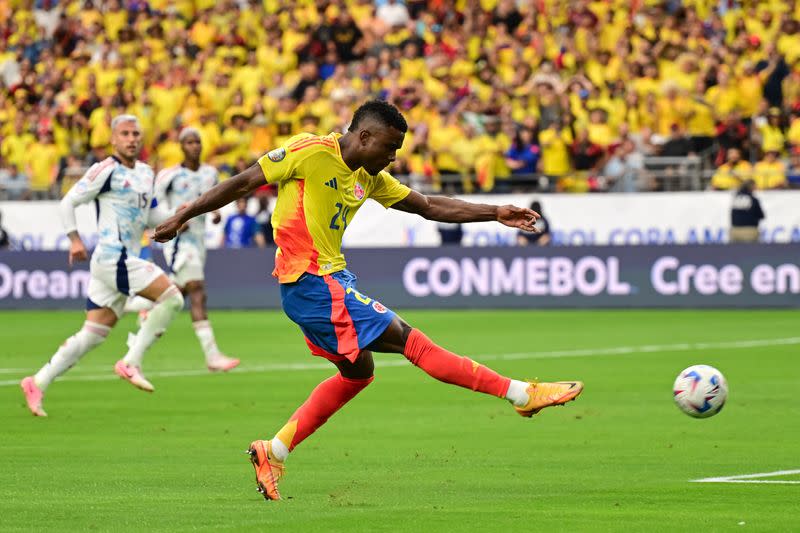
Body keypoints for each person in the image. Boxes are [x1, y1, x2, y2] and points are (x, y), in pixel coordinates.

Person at [153, 100, 583, 501]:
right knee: (411, 342)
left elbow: (429, 205)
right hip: (311, 280)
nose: (393, 157)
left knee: (359, 374)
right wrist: (181, 216)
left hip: (329, 281)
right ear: (363, 137)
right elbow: (245, 181)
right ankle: (520, 394)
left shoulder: (369, 177)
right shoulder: (309, 151)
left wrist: (494, 213)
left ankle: (274, 450)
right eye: (390, 147)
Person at [20, 115, 185, 417]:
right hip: (113, 256)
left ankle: (37, 381)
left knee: (93, 334)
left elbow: (151, 217)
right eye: (125, 133)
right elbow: (67, 202)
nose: (132, 138)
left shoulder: (147, 173)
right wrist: (74, 240)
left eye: (136, 133)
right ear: (113, 139)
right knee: (172, 298)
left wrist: (177, 218)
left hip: (120, 261)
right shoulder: (105, 170)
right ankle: (131, 361)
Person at [130, 127, 240, 372]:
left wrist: (215, 214)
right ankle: (212, 356)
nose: (194, 146)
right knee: (198, 291)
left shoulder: (210, 173)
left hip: (199, 240)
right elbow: (153, 204)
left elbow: (214, 199)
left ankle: (146, 307)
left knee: (176, 296)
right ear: (181, 146)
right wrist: (175, 219)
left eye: (197, 141)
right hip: (179, 241)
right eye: (189, 142)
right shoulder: (170, 176)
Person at [730, 179, 764, 243]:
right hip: (749, 231)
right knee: (751, 252)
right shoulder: (753, 199)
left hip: (734, 230)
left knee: (735, 252)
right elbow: (761, 215)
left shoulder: (735, 198)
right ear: (751, 187)